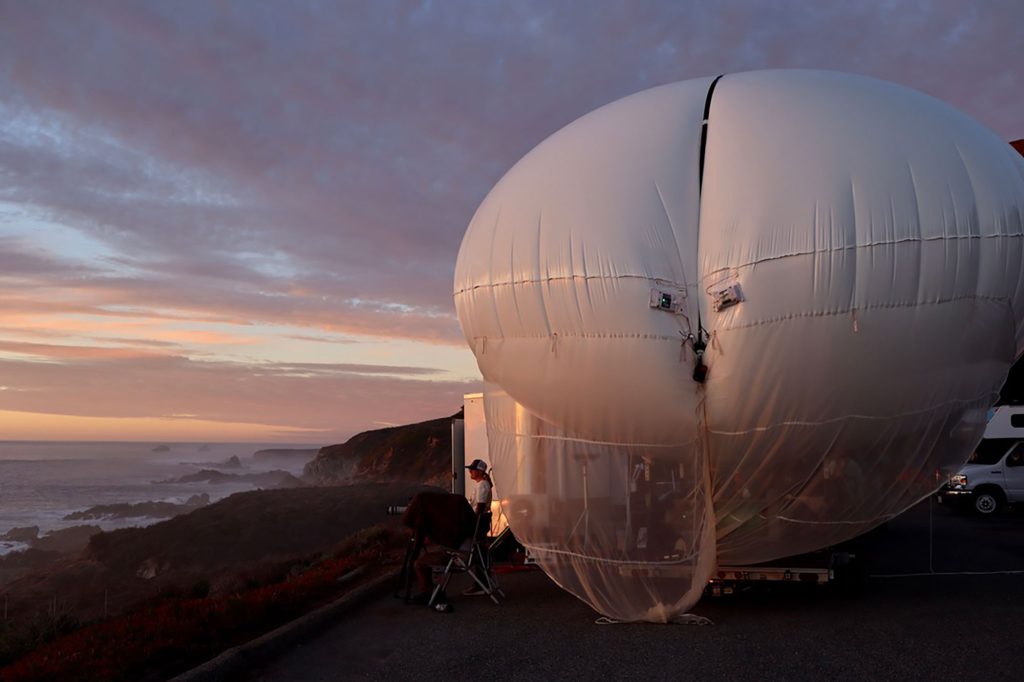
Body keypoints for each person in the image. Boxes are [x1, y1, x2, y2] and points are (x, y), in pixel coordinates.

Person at [462, 459, 493, 596]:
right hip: (481, 521)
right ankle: (483, 581)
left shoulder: (482, 486)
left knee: (478, 551)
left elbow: (479, 507)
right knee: (479, 551)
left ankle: (481, 583)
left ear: (480, 471)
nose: (470, 471)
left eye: (473, 469)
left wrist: (471, 521)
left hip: (480, 522)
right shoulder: (482, 484)